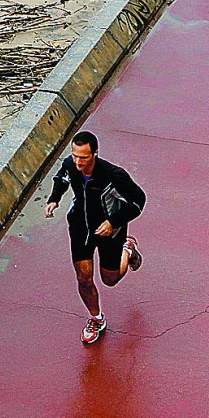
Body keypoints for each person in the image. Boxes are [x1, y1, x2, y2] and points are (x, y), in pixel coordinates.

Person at [44, 130, 145, 344]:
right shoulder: (71, 165)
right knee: (84, 278)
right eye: (75, 155)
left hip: (109, 231)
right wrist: (54, 199)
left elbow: (138, 201)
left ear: (95, 154)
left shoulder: (114, 176)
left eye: (83, 157)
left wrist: (113, 222)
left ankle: (127, 249)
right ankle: (96, 319)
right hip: (81, 227)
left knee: (109, 279)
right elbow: (61, 178)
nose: (78, 162)